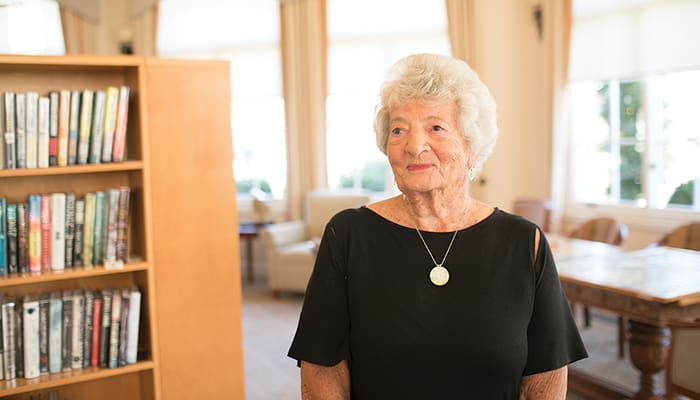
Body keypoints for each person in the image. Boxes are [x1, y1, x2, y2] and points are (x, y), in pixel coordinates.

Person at [288, 53, 587, 399]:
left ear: (472, 149)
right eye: (399, 129)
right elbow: (322, 371)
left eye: (436, 128)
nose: (414, 146)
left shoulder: (523, 242)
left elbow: (545, 378)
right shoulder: (349, 236)